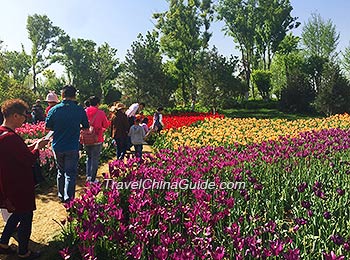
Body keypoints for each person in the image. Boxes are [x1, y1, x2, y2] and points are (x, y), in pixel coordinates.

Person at [0, 99, 49, 259]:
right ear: (14, 115)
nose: (25, 118)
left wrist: (32, 145)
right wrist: (38, 148)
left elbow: (16, 154)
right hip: (19, 183)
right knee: (26, 216)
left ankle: (3, 242)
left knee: (17, 214)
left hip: (9, 182)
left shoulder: (3, 133)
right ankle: (23, 251)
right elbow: (27, 160)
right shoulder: (11, 138)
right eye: (23, 115)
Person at [45, 85, 89, 203]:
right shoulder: (79, 110)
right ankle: (69, 198)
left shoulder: (54, 110)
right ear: (75, 96)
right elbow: (86, 127)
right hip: (72, 146)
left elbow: (48, 127)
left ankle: (60, 195)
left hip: (58, 146)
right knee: (70, 173)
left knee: (61, 171)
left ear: (62, 95)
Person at [84, 96, 110, 182]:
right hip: (97, 138)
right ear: (98, 104)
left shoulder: (85, 111)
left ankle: (88, 176)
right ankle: (93, 179)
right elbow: (105, 125)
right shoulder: (101, 113)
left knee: (89, 157)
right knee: (95, 158)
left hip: (86, 138)